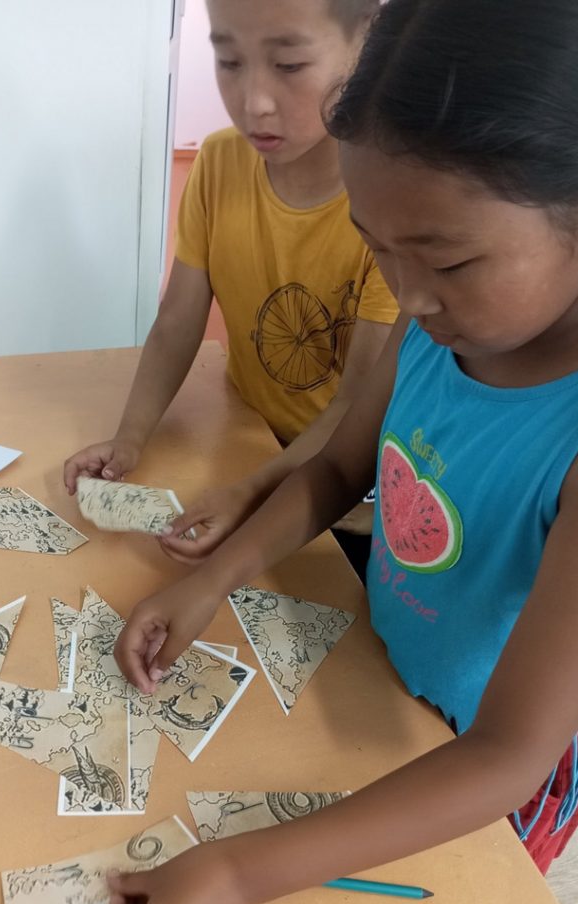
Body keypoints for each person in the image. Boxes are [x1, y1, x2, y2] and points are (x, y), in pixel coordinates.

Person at [100, 0, 578, 904]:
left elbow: (507, 756)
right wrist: (215, 578)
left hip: (487, 765)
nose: (407, 295)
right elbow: (337, 465)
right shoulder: (437, 310)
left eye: (447, 259)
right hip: (382, 684)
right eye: (377, 247)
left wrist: (241, 873)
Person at [64, 0, 398, 579]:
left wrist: (254, 491)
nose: (254, 102)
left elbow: (354, 408)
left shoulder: (388, 201)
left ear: (366, 39)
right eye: (230, 62)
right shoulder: (219, 161)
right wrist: (130, 438)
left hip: (344, 481)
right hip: (247, 436)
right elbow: (177, 321)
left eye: (289, 65)